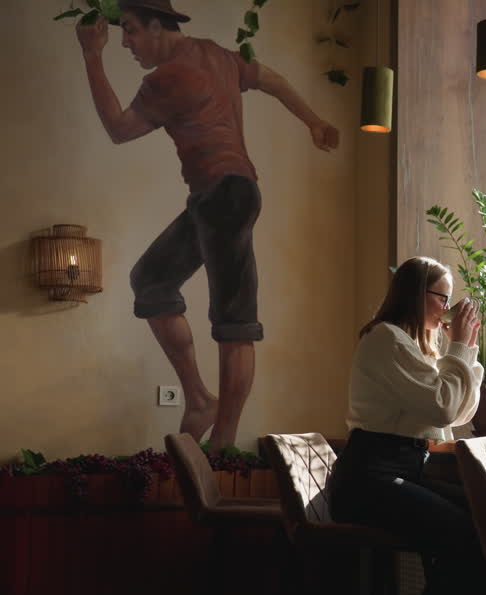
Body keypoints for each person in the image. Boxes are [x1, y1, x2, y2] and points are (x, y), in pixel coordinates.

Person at [75, 0, 341, 451]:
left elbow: (119, 129)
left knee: (234, 321)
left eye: (133, 31)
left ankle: (224, 441)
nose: (126, 43)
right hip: (218, 197)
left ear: (159, 26)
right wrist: (312, 120)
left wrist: (91, 56)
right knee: (151, 281)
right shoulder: (218, 55)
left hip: (225, 196)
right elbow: (270, 79)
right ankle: (199, 399)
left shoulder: (167, 78)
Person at [331, 256, 486, 595]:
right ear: (417, 295)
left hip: (402, 470)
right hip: (369, 476)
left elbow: (459, 411)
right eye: (442, 297)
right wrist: (460, 350)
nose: (447, 309)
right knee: (466, 538)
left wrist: (461, 352)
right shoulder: (385, 340)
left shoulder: (418, 346)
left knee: (483, 531)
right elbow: (443, 409)